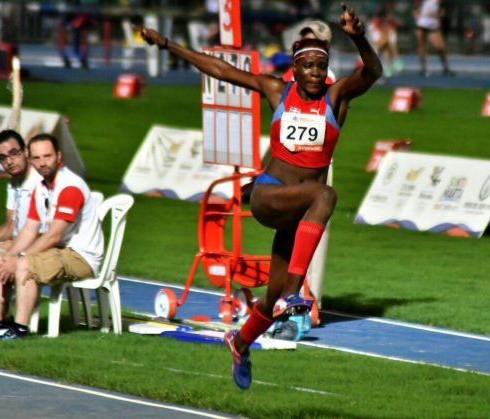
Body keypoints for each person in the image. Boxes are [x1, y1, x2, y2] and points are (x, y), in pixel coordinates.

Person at [138, 2, 382, 390]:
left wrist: (359, 38)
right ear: (294, 69)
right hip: (269, 196)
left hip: (297, 209)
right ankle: (294, 294)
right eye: (307, 66)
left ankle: (240, 342)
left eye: (321, 66)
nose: (315, 73)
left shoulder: (336, 98)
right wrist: (168, 44)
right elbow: (221, 70)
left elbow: (373, 72)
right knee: (326, 196)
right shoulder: (276, 90)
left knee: (271, 298)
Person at [0, 133, 104, 340]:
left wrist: (18, 258)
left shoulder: (70, 187)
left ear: (59, 156)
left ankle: (19, 329)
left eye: (47, 156)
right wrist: (9, 257)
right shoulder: (41, 187)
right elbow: (29, 230)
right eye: (37, 158)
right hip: (60, 250)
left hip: (81, 256)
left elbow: (54, 235)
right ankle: (1, 323)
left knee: (24, 265)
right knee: (2, 260)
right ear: (30, 158)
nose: (42, 163)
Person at [0, 129, 41, 329]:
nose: (9, 161)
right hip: (20, 241)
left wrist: (14, 248)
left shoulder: (40, 183)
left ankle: (1, 321)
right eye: (2, 158)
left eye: (14, 153)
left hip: (40, 245)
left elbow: (44, 231)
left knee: (0, 259)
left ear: (25, 152)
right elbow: (10, 227)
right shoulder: (14, 183)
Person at [281, 20, 336, 84]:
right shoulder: (292, 72)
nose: (307, 47)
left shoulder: (327, 78)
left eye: (314, 43)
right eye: (304, 42)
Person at [413, 0, 454, 76]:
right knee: (421, 46)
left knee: (440, 47)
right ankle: (423, 68)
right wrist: (416, 15)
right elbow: (415, 7)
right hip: (421, 24)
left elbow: (442, 10)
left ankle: (446, 67)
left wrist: (438, 16)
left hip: (433, 25)